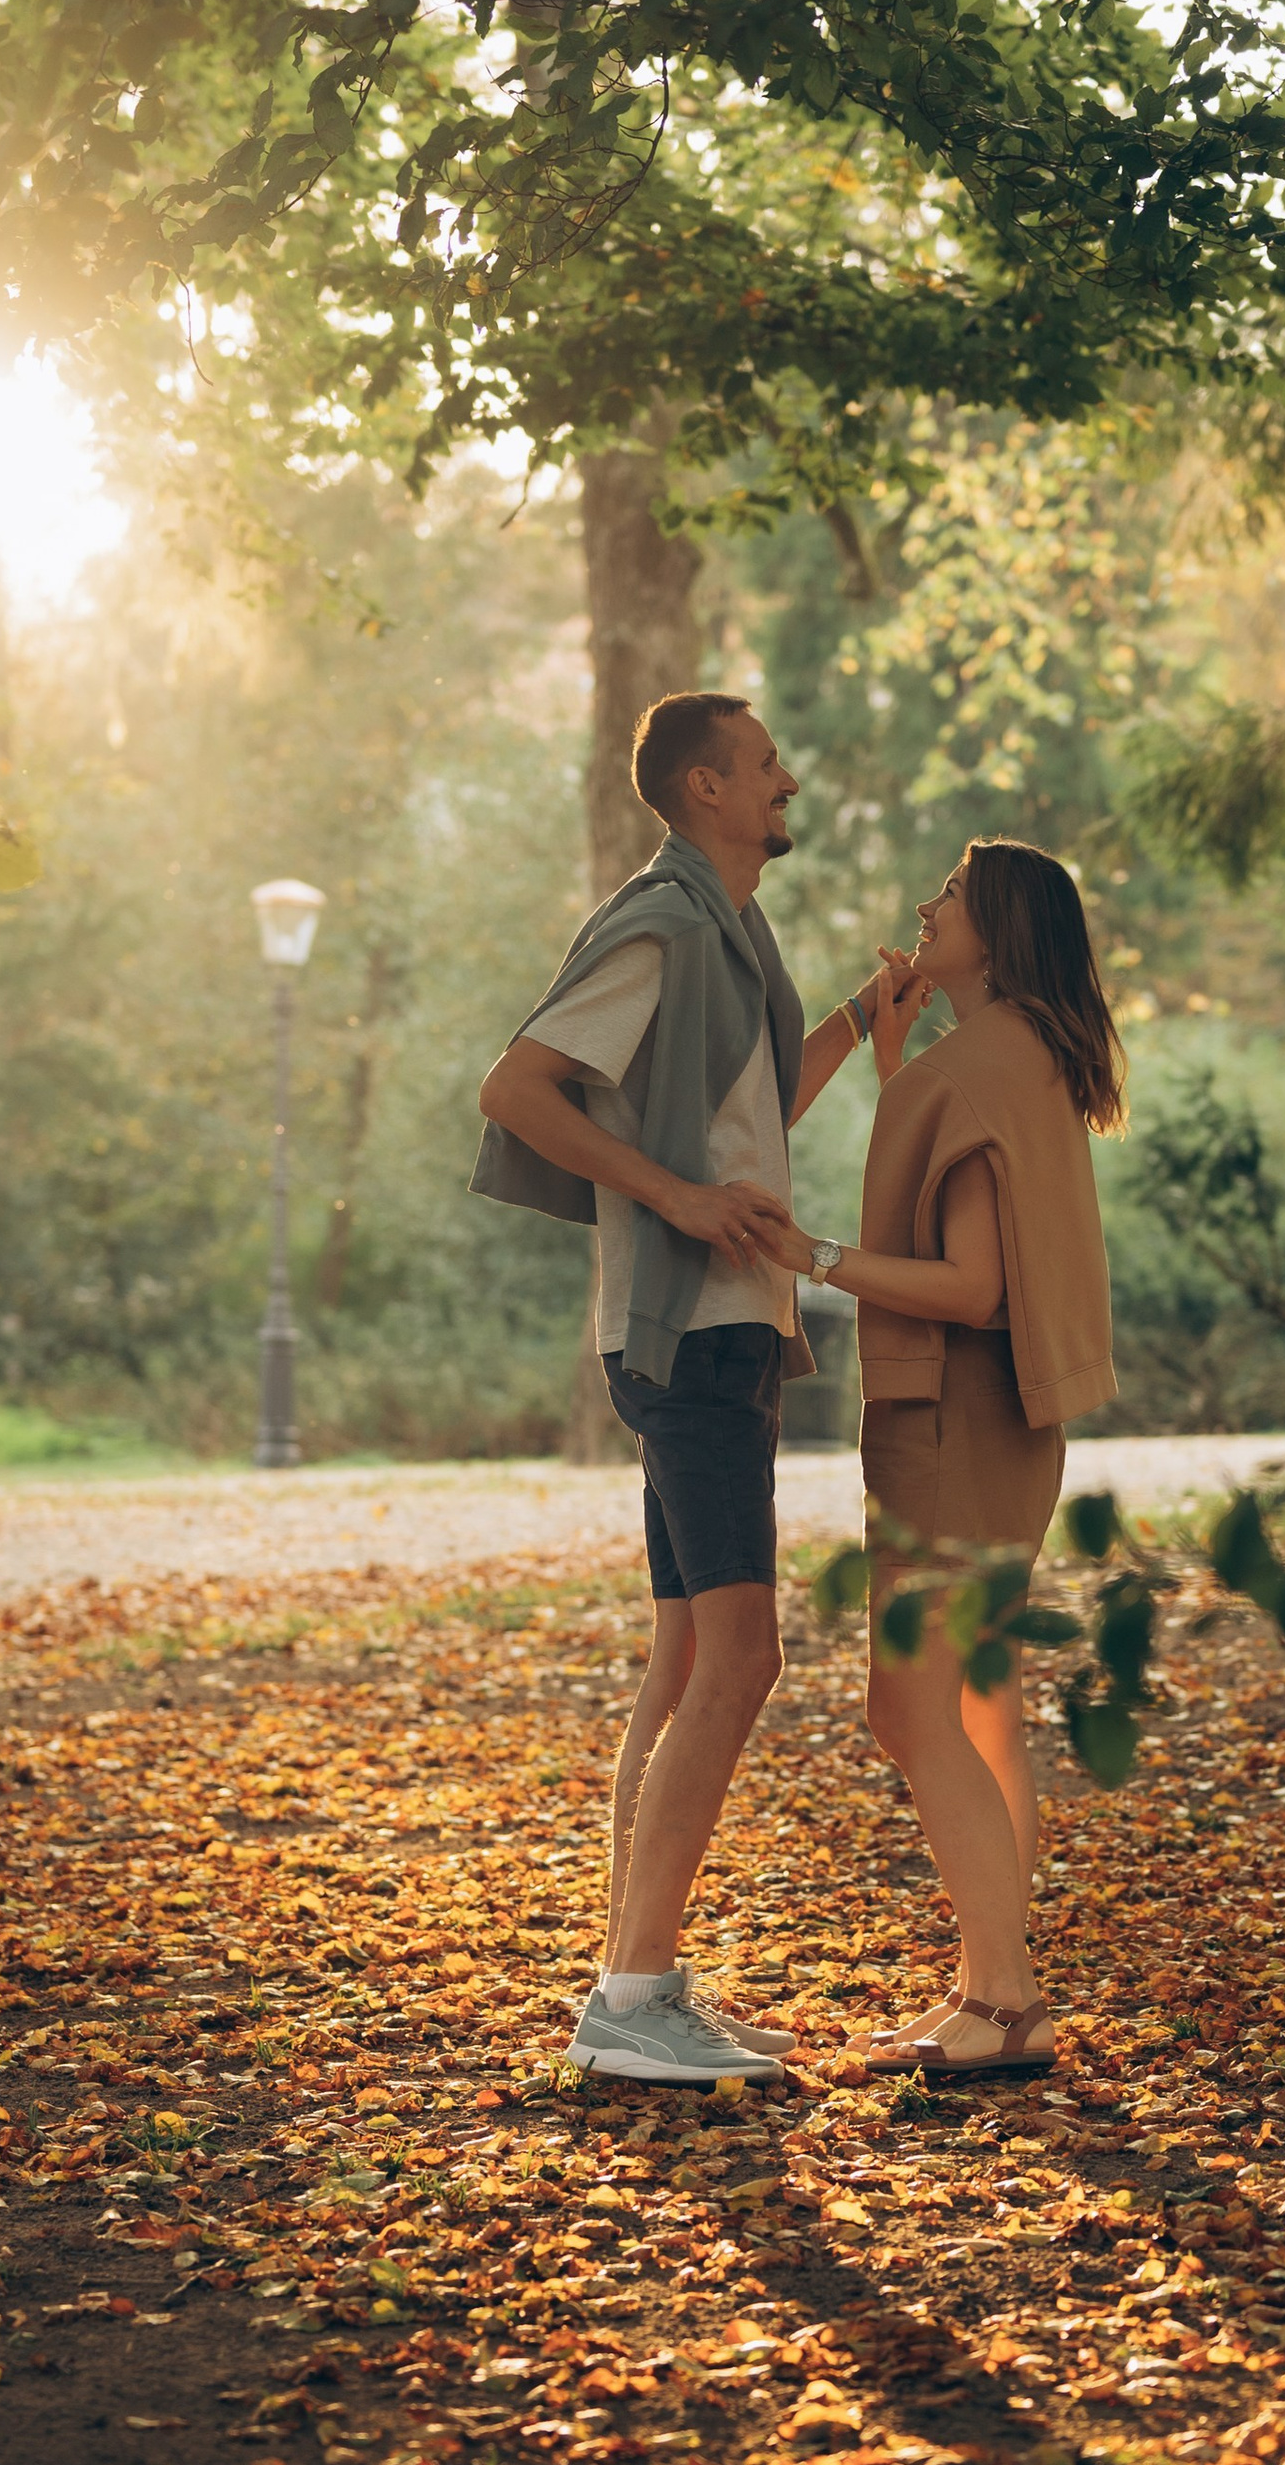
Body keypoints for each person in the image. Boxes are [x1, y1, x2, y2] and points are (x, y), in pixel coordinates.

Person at [473, 690, 917, 2087]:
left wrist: (857, 1017)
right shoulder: (659, 924)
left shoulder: (728, 935)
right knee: (741, 1656)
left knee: (687, 1657)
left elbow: (747, 1107)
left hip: (721, 1328)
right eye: (766, 761)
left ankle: (638, 1978)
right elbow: (515, 1088)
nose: (788, 774)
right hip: (689, 1334)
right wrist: (670, 1196)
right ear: (707, 787)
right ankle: (627, 2000)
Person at [754, 839, 1126, 2076]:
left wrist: (806, 1257)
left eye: (951, 896)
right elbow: (973, 1199)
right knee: (977, 1706)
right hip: (1008, 1430)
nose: (926, 906)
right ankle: (987, 1985)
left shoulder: (981, 1068)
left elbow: (970, 1285)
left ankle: (1008, 2001)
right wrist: (896, 1058)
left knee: (909, 1710)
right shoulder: (1023, 1058)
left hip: (954, 1428)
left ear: (999, 930)